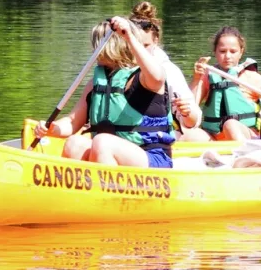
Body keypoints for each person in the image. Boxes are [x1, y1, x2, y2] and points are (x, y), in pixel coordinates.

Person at [46, 15, 174, 168]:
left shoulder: (145, 78)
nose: (94, 49)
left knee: (102, 142)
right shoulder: (95, 83)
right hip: (108, 153)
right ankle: (81, 189)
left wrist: (129, 37)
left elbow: (158, 77)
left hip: (150, 157)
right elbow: (73, 122)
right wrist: (51, 128)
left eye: (97, 43)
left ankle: (109, 189)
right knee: (75, 143)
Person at [192, 26, 261, 141]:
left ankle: (243, 156)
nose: (227, 56)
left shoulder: (252, 78)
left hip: (245, 134)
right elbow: (191, 108)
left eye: (233, 51)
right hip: (213, 137)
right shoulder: (207, 77)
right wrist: (196, 78)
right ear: (215, 52)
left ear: (241, 52)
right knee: (190, 136)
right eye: (222, 51)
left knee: (230, 124)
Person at [128, 1, 202, 135]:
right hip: (123, 135)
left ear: (156, 41)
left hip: (159, 137)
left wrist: (187, 113)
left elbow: (194, 121)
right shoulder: (116, 68)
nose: (140, 53)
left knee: (197, 135)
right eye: (135, 45)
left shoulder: (169, 71)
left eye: (145, 46)